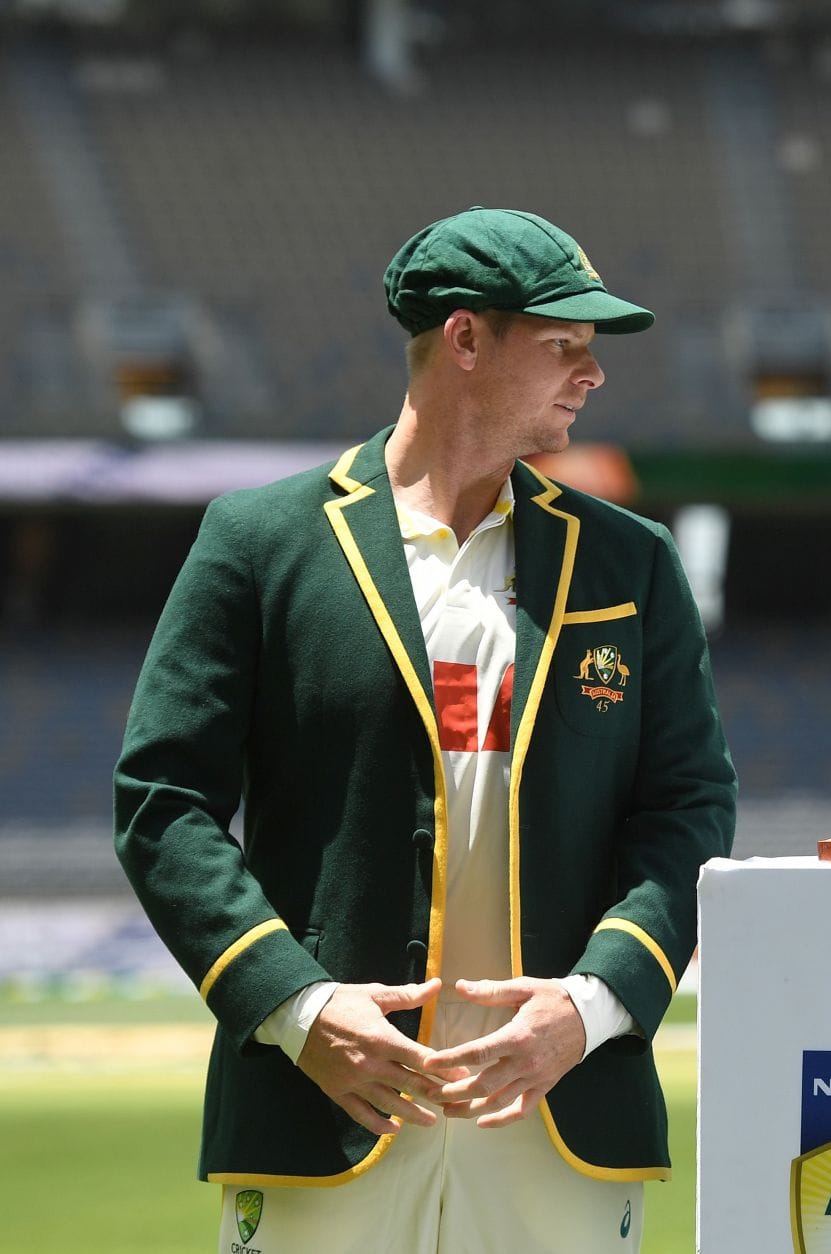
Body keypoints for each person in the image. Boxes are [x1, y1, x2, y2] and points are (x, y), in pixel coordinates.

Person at [114, 207, 736, 1253]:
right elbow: (162, 803)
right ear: (464, 340)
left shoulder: (633, 564)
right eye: (564, 346)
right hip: (326, 1109)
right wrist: (300, 1011)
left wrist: (588, 1009)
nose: (592, 374)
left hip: (562, 1114)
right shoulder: (257, 543)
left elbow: (689, 809)